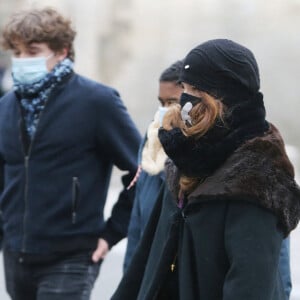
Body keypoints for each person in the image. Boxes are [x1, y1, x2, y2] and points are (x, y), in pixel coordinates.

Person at [111, 39, 300, 300]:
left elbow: (250, 286)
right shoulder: (185, 162)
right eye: (184, 88)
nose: (183, 100)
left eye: (194, 90)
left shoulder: (256, 179)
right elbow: (146, 260)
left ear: (222, 98)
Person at [0, 7, 141, 300]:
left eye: (33, 51)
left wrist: (113, 232)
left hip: (71, 257)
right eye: (18, 52)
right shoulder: (6, 106)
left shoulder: (97, 102)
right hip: (16, 256)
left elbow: (143, 171)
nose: (22, 61)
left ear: (62, 51)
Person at [124, 60, 183, 271]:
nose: (165, 110)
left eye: (173, 102)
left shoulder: (203, 155)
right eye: (162, 102)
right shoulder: (150, 144)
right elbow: (137, 229)